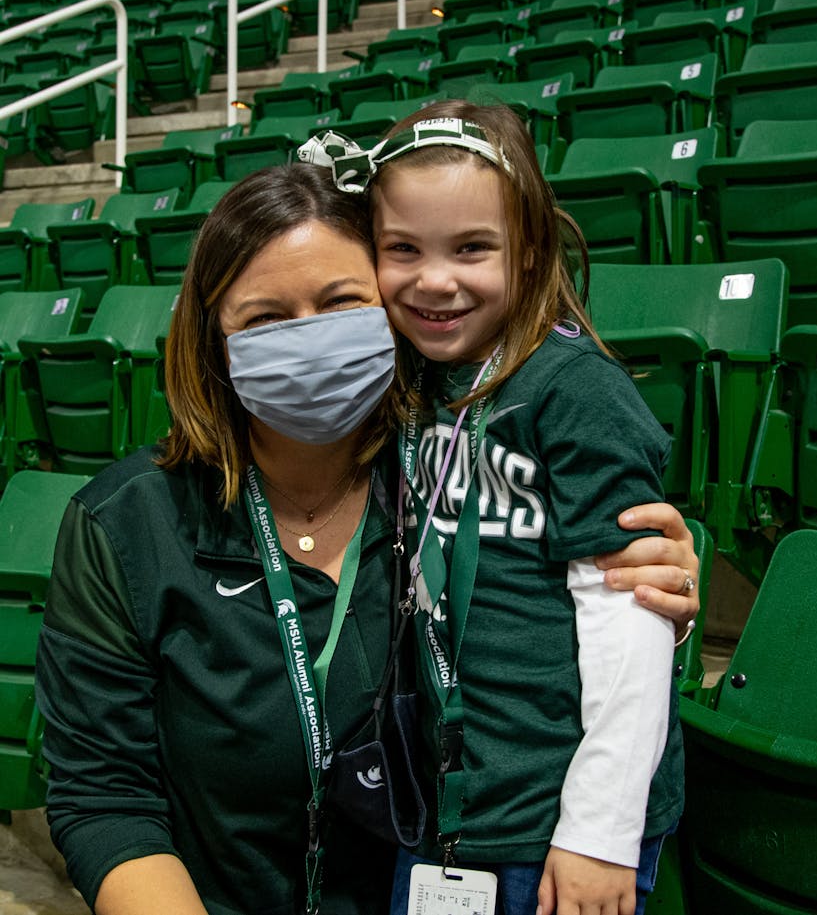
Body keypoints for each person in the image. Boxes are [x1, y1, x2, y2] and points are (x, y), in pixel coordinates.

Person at [33, 162, 701, 915]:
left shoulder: (461, 485)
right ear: (213, 340)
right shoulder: (124, 523)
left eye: (341, 303)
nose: (308, 338)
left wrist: (651, 607)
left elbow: (563, 635)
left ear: (391, 308)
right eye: (263, 319)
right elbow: (104, 798)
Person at [311, 101, 688, 915]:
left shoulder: (577, 392)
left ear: (529, 251)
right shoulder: (407, 382)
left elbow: (632, 626)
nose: (434, 280)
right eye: (400, 249)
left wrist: (600, 829)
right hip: (443, 807)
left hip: (556, 820)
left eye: (472, 248)